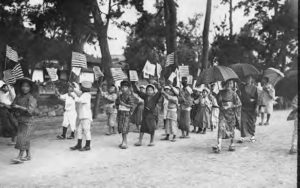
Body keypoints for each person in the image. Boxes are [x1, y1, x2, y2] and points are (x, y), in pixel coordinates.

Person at [11, 77, 37, 164]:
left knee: (22, 138)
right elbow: (13, 105)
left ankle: (20, 156)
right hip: (20, 120)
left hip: (29, 121)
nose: (24, 88)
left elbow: (30, 111)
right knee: (26, 138)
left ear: (30, 88)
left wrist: (19, 107)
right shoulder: (18, 96)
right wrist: (13, 106)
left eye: (27, 86)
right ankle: (28, 155)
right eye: (23, 86)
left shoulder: (31, 98)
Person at [212, 79, 242, 153]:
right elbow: (218, 103)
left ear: (232, 85)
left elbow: (239, 104)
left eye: (230, 83)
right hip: (222, 113)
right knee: (220, 127)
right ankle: (219, 145)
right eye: (227, 83)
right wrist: (219, 100)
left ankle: (232, 143)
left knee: (231, 129)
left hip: (231, 114)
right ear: (224, 84)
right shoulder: (220, 92)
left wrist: (231, 105)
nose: (229, 85)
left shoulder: (234, 94)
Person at [133, 82, 162, 147]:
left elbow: (160, 92)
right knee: (142, 128)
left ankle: (151, 141)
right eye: (148, 90)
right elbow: (138, 92)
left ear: (153, 91)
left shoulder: (155, 97)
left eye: (151, 90)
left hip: (152, 115)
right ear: (146, 91)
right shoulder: (145, 96)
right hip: (145, 115)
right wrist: (134, 85)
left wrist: (158, 85)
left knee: (152, 128)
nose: (149, 91)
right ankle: (140, 141)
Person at [70, 81, 93, 151]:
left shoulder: (86, 95)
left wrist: (73, 96)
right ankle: (79, 145)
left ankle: (87, 146)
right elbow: (78, 91)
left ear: (84, 88)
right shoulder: (84, 93)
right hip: (82, 116)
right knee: (79, 131)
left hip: (86, 117)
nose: (81, 88)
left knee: (86, 131)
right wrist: (73, 87)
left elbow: (80, 100)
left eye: (81, 87)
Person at [238, 76, 259, 143]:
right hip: (244, 107)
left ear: (251, 79)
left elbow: (257, 98)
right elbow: (239, 96)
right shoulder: (242, 88)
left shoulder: (255, 88)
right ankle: (242, 137)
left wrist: (256, 107)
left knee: (252, 122)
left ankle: (252, 136)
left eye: (249, 79)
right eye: (246, 78)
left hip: (252, 107)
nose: (248, 80)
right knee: (243, 121)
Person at [116, 81, 133, 149]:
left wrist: (123, 104)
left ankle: (125, 142)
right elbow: (117, 104)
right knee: (121, 127)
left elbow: (131, 106)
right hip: (120, 114)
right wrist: (117, 106)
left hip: (126, 114)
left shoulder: (129, 96)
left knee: (124, 128)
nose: (123, 88)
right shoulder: (120, 96)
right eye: (122, 87)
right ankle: (123, 140)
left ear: (128, 88)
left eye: (125, 87)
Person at [0, 80, 17, 145]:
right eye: (2, 88)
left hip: (11, 108)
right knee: (7, 124)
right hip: (3, 109)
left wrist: (9, 90)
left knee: (13, 123)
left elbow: (13, 98)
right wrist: (4, 104)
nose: (3, 89)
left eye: (4, 87)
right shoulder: (0, 92)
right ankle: (13, 139)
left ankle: (13, 140)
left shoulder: (11, 90)